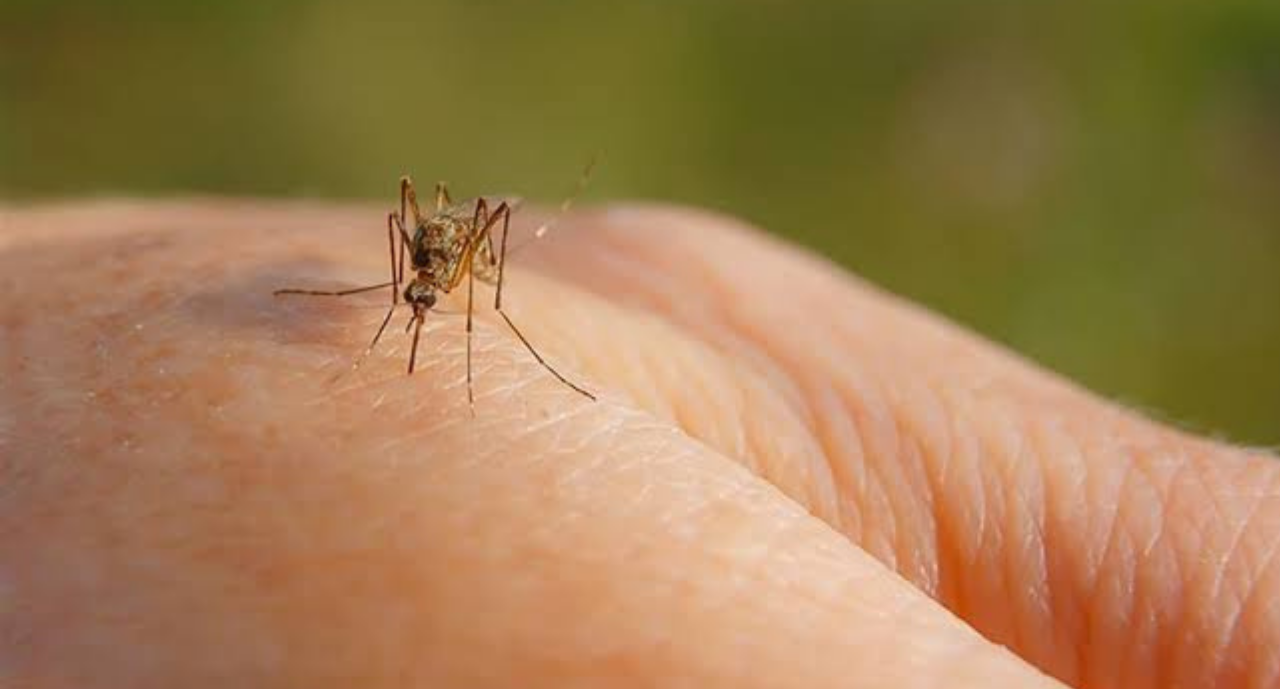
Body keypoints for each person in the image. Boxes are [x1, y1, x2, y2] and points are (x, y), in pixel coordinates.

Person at [1, 201, 1275, 688]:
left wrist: (480, 301)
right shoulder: (406, 263)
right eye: (421, 282)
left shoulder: (455, 266)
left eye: (423, 280)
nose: (417, 294)